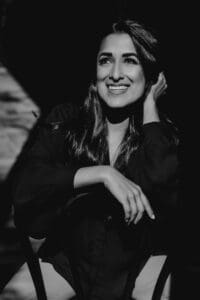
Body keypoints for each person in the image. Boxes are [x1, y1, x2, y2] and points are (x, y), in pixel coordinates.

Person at [1, 19, 179, 300]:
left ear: (150, 74)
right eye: (106, 61)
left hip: (137, 267)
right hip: (67, 266)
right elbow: (26, 186)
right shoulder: (66, 121)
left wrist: (150, 109)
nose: (116, 74)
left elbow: (164, 189)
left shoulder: (159, 136)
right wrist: (102, 174)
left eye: (130, 61)